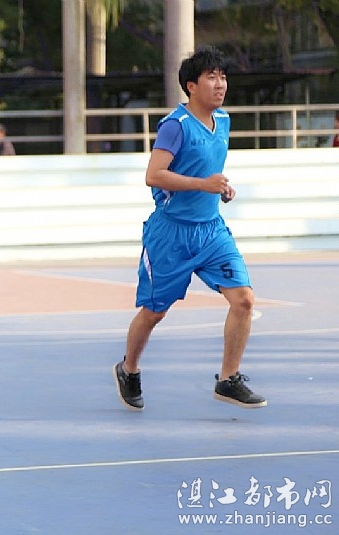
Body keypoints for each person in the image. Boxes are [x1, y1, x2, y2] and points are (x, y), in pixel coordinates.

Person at [112, 46, 266, 412]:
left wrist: (220, 188)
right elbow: (154, 175)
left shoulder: (223, 121)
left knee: (244, 300)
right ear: (191, 86)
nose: (220, 84)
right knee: (154, 312)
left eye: (223, 77)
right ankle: (128, 368)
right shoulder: (175, 126)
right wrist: (203, 185)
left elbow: (207, 171)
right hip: (171, 235)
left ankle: (228, 379)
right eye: (212, 77)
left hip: (211, 231)